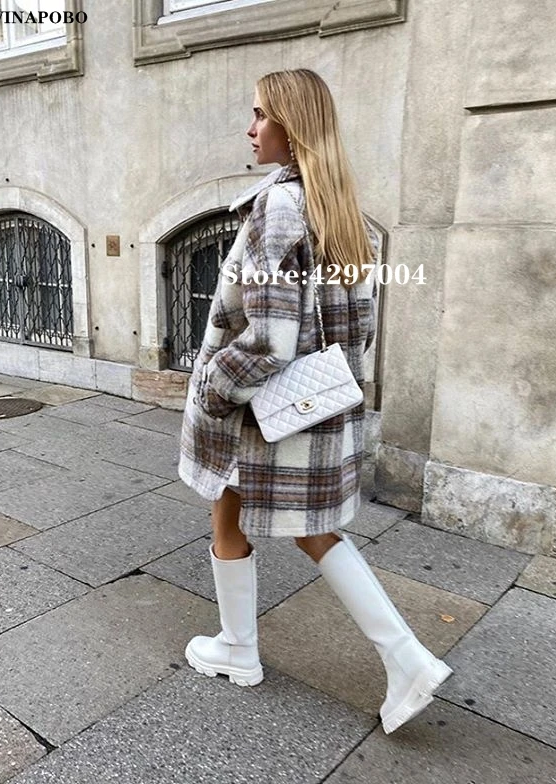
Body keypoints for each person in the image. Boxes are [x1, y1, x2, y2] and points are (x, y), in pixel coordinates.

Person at [178, 68, 452, 735]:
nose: (250, 128)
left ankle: (397, 656)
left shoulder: (278, 207)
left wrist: (214, 388)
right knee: (281, 522)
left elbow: (270, 339)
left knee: (262, 519)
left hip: (259, 406)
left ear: (292, 125)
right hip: (311, 408)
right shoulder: (340, 208)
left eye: (260, 115)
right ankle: (254, 648)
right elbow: (360, 329)